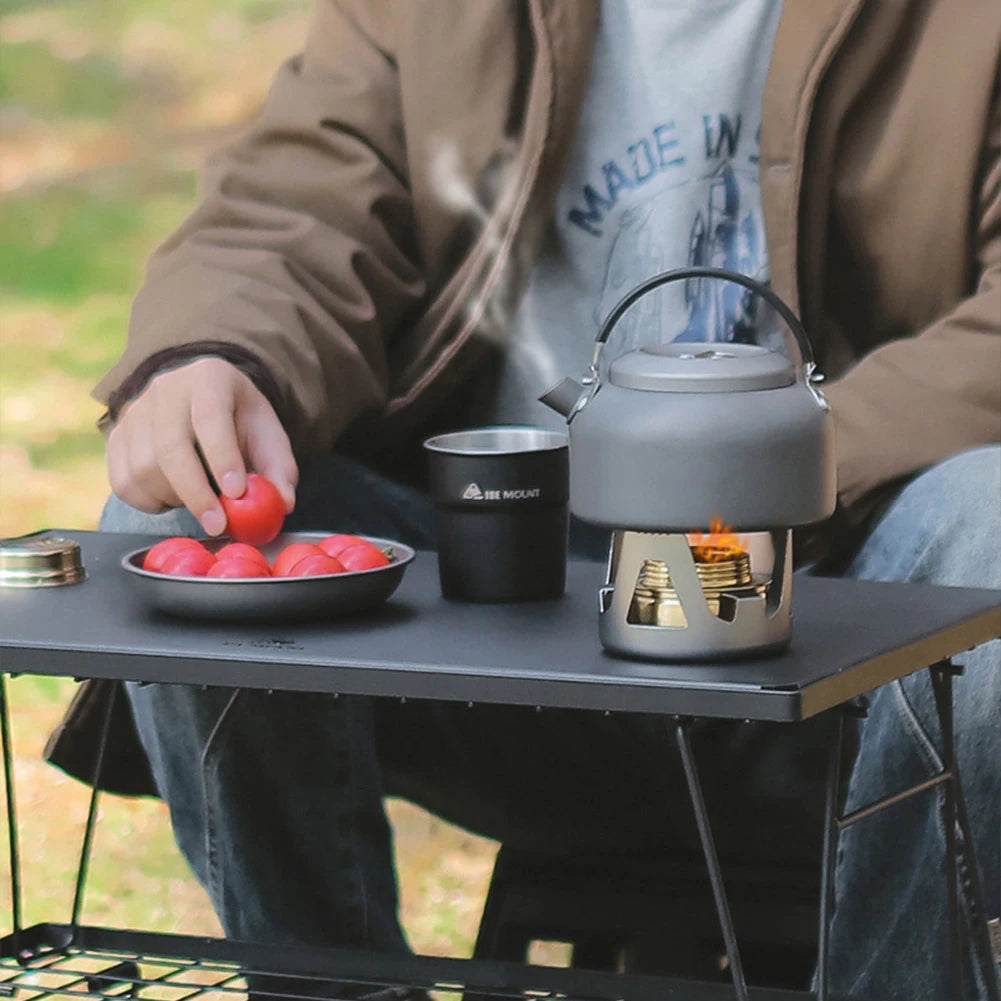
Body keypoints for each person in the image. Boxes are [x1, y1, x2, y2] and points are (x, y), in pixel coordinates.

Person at [45, 2, 1000, 998]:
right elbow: (296, 206)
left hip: (847, 625)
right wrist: (213, 349)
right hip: (508, 615)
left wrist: (739, 458)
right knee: (176, 519)